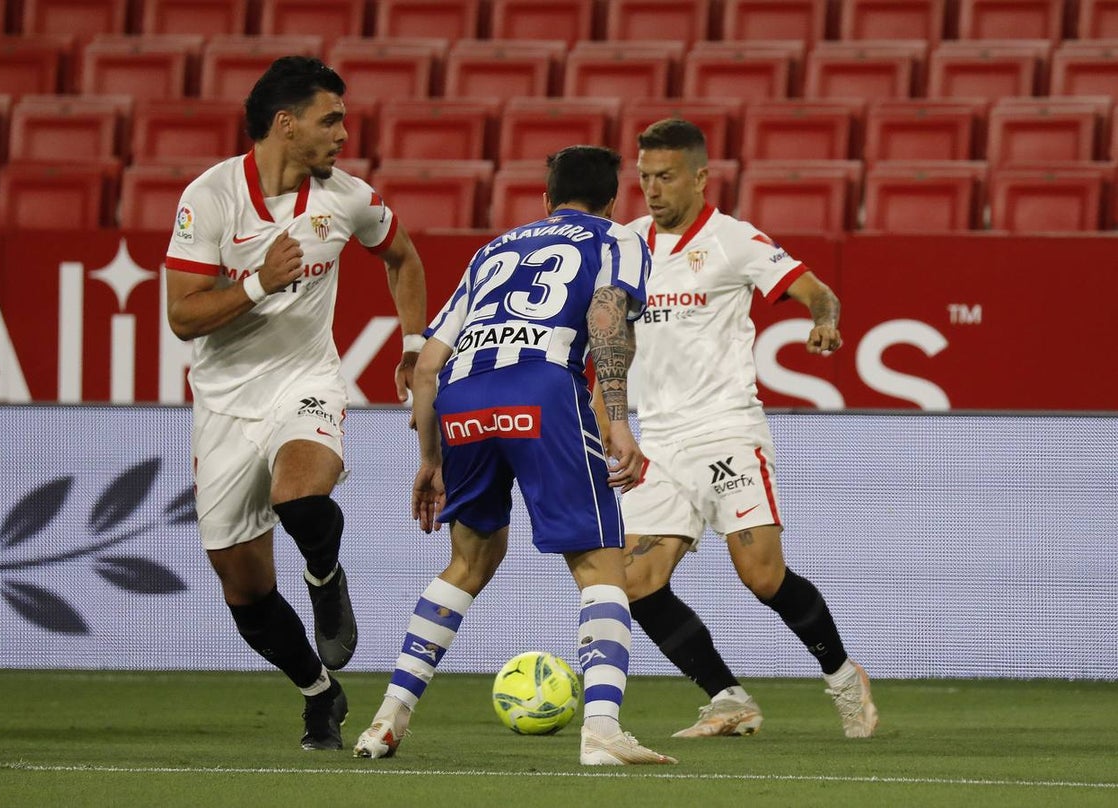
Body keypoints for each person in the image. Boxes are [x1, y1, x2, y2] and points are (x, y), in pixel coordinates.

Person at [351, 145, 676, 766]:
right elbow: (607, 316)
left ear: (545, 200)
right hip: (544, 389)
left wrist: (431, 458)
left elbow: (425, 367)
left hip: (463, 398)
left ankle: (386, 720)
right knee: (599, 564)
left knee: (469, 561)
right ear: (612, 200)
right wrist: (620, 418)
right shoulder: (618, 238)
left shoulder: (494, 250)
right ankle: (603, 730)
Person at [164, 56, 427, 751]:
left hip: (305, 380)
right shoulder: (211, 197)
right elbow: (183, 318)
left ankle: (323, 574)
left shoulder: (347, 198)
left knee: (301, 496)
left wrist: (411, 342)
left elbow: (401, 256)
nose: (344, 132)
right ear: (286, 124)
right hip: (223, 403)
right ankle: (320, 693)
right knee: (243, 589)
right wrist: (256, 284)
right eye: (330, 119)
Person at [604, 118, 878, 739]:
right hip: (659, 440)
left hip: (725, 429)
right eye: (643, 177)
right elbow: (611, 337)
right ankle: (727, 697)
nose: (651, 189)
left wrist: (824, 320)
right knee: (635, 579)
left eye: (665, 177)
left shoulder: (734, 240)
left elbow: (818, 292)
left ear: (701, 177)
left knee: (761, 575)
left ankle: (841, 676)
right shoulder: (627, 244)